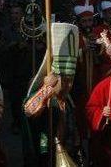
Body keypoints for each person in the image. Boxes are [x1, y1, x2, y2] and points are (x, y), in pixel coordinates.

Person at [23, 22, 82, 165]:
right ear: (56, 79)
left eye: (70, 80)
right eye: (66, 80)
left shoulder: (67, 99)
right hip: (46, 154)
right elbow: (28, 110)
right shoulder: (45, 94)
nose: (69, 85)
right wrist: (47, 89)